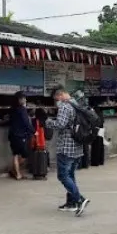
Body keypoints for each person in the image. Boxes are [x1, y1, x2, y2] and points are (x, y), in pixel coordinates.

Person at [46, 87, 90, 216]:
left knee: (63, 176)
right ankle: (71, 203)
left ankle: (79, 199)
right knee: (70, 175)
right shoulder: (76, 104)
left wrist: (47, 121)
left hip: (66, 147)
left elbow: (60, 124)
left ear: (59, 95)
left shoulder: (65, 106)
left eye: (56, 99)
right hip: (77, 146)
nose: (56, 102)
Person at [7, 91, 34, 179]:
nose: (25, 100)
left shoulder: (12, 109)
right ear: (19, 100)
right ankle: (17, 173)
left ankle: (16, 172)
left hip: (12, 134)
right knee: (25, 155)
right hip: (20, 135)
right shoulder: (22, 109)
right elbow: (26, 122)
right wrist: (33, 131)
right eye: (23, 98)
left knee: (15, 154)